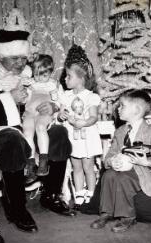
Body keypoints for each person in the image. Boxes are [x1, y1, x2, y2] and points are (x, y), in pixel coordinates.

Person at [0, 29, 74, 233]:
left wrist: (53, 107)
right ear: (0, 55)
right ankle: (17, 209)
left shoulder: (30, 73)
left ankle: (51, 195)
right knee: (13, 140)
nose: (21, 64)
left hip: (33, 125)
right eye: (15, 59)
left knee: (58, 133)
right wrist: (8, 98)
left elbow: (48, 94)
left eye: (24, 58)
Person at [90, 89, 151, 233]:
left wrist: (145, 162)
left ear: (136, 110)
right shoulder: (120, 131)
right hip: (123, 168)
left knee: (123, 178)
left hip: (144, 171)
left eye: (122, 105)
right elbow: (110, 154)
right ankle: (106, 212)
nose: (118, 108)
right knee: (108, 175)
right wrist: (111, 162)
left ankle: (128, 216)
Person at [58, 46, 102, 207]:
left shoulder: (91, 96)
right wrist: (60, 115)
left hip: (87, 137)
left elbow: (93, 116)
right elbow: (61, 112)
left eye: (69, 76)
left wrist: (85, 122)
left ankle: (91, 191)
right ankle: (79, 191)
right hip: (73, 138)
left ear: (81, 78)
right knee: (76, 166)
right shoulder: (65, 95)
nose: (65, 79)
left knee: (88, 166)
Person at [22, 54, 63, 177]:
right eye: (36, 74)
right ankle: (30, 162)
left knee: (40, 127)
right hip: (30, 112)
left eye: (43, 75)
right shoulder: (31, 84)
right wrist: (25, 90)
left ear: (50, 72)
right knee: (27, 132)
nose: (39, 78)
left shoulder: (54, 85)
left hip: (44, 113)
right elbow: (24, 101)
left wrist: (55, 103)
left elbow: (60, 102)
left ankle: (43, 160)